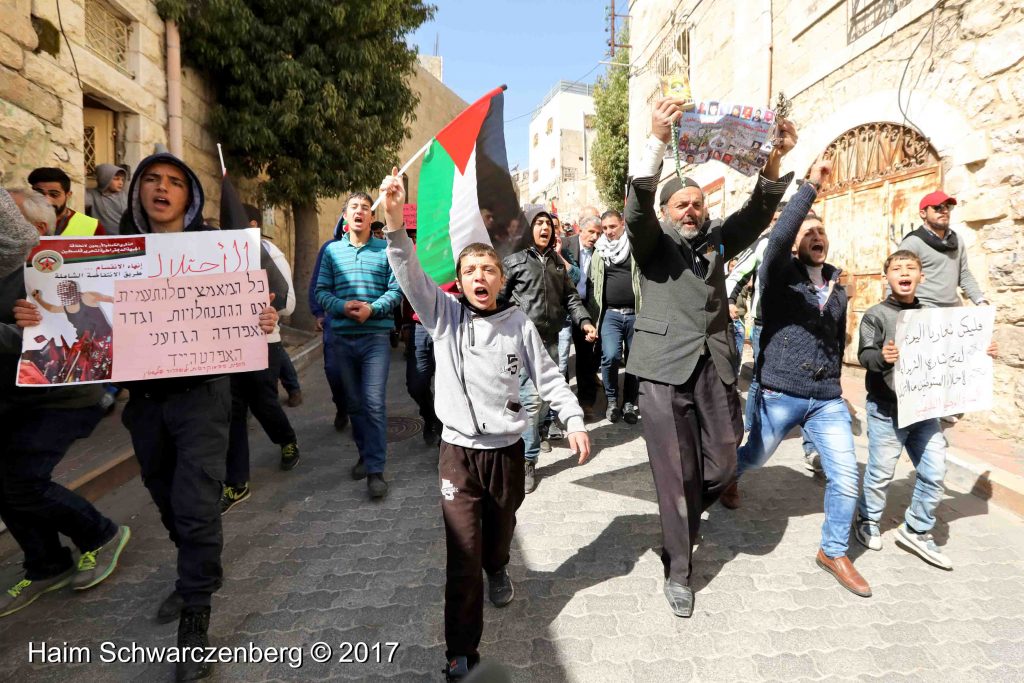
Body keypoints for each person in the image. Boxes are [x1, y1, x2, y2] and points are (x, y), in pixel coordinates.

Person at [379, 168, 592, 682]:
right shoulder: (443, 316)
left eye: (488, 270)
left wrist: (575, 417)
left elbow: (547, 376)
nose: (479, 277)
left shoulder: (517, 322)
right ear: (461, 278)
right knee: (463, 554)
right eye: (470, 269)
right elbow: (408, 271)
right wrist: (392, 220)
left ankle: (501, 564)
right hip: (457, 457)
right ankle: (461, 652)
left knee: (499, 536)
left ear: (501, 278)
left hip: (506, 452)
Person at [78, 152, 273, 682]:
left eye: (176, 183)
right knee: (166, 497)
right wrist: (40, 314)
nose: (163, 190)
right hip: (144, 404)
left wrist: (264, 315)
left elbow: (258, 307)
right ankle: (195, 567)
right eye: (153, 181)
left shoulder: (218, 250)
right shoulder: (112, 254)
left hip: (203, 399)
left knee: (195, 504)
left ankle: (195, 615)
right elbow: (81, 315)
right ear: (138, 190)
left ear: (191, 196)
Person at [623, 97, 796, 617]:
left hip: (714, 366)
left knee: (723, 460)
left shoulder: (719, 239)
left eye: (698, 203)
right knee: (674, 474)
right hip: (661, 371)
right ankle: (679, 568)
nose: (692, 210)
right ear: (668, 212)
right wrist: (655, 140)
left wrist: (773, 160)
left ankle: (681, 518)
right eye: (682, 205)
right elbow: (636, 210)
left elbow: (759, 211)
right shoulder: (652, 243)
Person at [728, 159, 872, 598]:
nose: (816, 236)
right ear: (793, 242)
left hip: (825, 398)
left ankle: (833, 551)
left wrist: (841, 390)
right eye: (807, 231)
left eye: (821, 232)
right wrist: (809, 188)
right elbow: (776, 241)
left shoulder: (838, 285)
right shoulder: (778, 274)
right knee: (752, 457)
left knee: (846, 476)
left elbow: (836, 340)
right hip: (780, 392)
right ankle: (723, 477)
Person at [1, 188, 129, 618]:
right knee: (6, 483)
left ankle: (100, 534)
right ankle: (46, 564)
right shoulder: (7, 267)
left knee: (23, 480)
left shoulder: (59, 271)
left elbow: (66, 341)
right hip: (16, 397)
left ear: (34, 230)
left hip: (66, 395)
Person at [854, 250, 999, 569]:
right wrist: (882, 357)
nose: (904, 272)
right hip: (886, 411)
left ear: (922, 277)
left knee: (934, 471)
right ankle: (867, 519)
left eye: (911, 268)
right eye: (896, 268)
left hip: (924, 411)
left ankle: (917, 529)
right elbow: (865, 354)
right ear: (886, 277)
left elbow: (954, 349)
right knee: (880, 474)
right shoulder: (876, 315)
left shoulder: (935, 317)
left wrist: (980, 349)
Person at [501, 208, 597, 493]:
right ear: (529, 228)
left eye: (548, 224)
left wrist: (585, 321)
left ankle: (533, 437)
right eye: (538, 223)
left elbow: (571, 298)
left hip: (551, 342)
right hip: (521, 343)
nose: (544, 228)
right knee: (530, 401)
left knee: (542, 400)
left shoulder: (558, 264)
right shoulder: (514, 262)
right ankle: (528, 460)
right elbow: (499, 299)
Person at [315, 193, 402, 500]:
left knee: (374, 403)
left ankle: (376, 470)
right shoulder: (331, 252)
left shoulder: (386, 250)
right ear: (345, 215)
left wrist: (372, 309)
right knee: (353, 404)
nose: (360, 211)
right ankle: (365, 454)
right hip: (342, 339)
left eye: (365, 207)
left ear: (370, 216)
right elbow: (321, 291)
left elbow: (396, 291)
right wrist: (341, 306)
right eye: (354, 207)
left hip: (375, 339)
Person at [221, 233, 301, 514]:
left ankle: (287, 440)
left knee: (264, 403)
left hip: (263, 344)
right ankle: (236, 481)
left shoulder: (267, 250)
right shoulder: (206, 252)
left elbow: (288, 303)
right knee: (233, 411)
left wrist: (268, 309)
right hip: (222, 349)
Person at [591, 209, 643, 425]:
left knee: (634, 361)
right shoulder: (599, 251)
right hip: (611, 314)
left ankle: (630, 402)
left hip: (635, 314)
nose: (609, 231)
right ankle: (612, 400)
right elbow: (593, 283)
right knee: (611, 356)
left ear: (622, 224)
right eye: (605, 228)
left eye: (612, 226)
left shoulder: (635, 247)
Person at [899, 191, 988, 309]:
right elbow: (897, 277)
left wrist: (980, 301)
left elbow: (964, 274)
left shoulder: (956, 240)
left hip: (953, 310)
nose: (945, 211)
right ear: (923, 213)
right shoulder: (912, 242)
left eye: (948, 207)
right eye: (938, 207)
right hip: (923, 310)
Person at [309, 216, 349, 430]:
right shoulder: (329, 249)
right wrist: (318, 313)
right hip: (334, 323)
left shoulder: (373, 248)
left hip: (363, 324)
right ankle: (341, 406)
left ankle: (360, 413)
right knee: (333, 371)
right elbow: (317, 283)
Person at [561, 215, 603, 417]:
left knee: (586, 356)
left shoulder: (601, 251)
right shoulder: (565, 245)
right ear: (581, 230)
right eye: (591, 232)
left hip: (586, 308)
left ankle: (586, 402)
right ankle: (563, 403)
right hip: (563, 306)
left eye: (599, 233)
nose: (595, 237)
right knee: (561, 358)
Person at [28, 167, 105, 236]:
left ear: (68, 195)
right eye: (39, 193)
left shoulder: (92, 226)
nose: (46, 200)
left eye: (54, 194)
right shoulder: (21, 221)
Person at [85, 164, 128, 234]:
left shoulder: (124, 195)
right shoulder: (93, 195)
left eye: (122, 180)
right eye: (116, 179)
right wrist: (83, 175)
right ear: (104, 178)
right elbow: (81, 199)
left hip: (125, 238)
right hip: (104, 241)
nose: (121, 183)